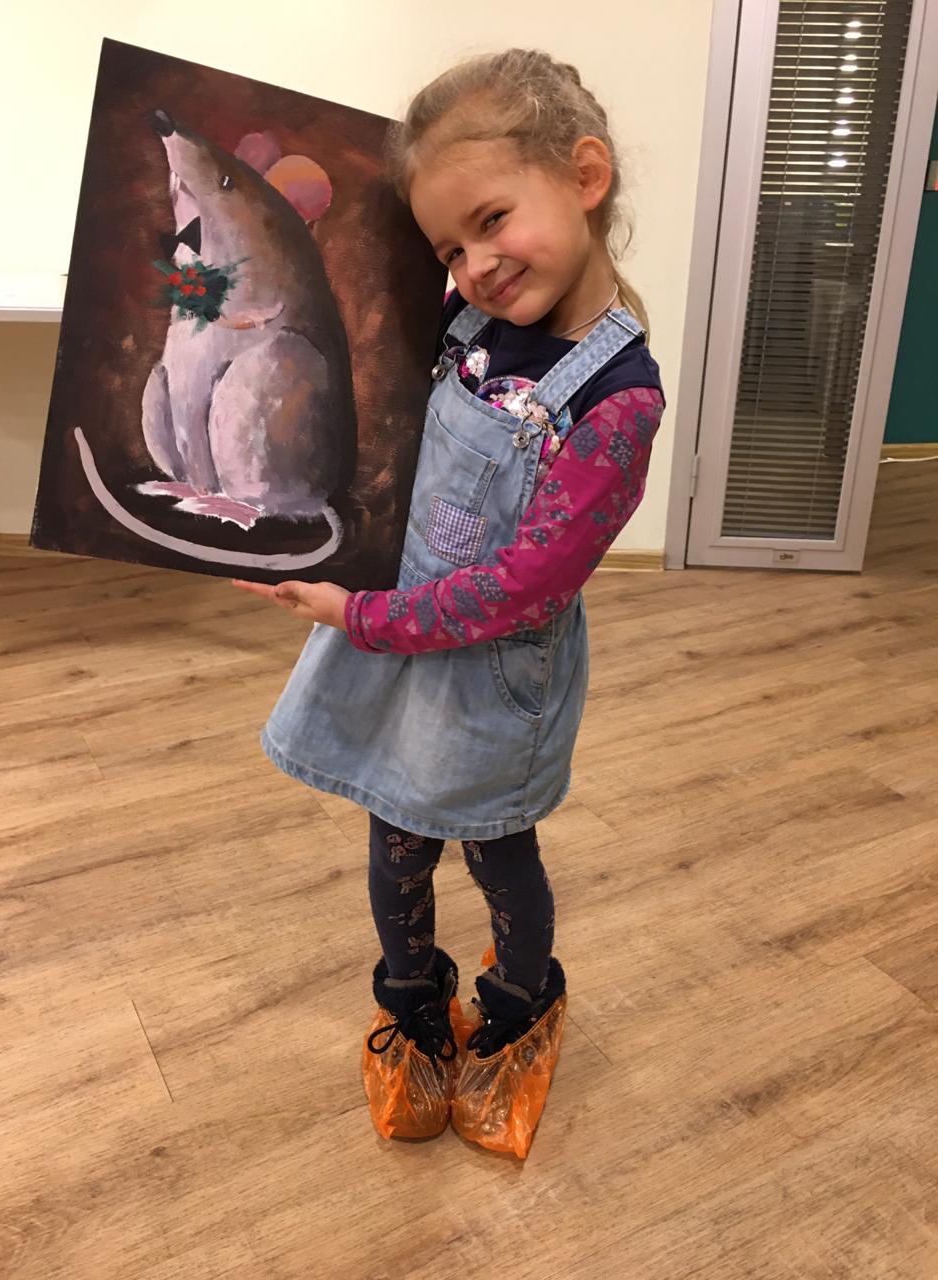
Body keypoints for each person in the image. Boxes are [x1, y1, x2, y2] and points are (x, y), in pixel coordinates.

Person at [233, 47, 665, 1159]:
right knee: (396, 842)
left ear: (585, 176)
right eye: (448, 248)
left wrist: (357, 616)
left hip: (487, 673)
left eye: (492, 220)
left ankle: (517, 1008)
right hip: (396, 637)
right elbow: (369, 404)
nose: (474, 266)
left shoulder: (616, 404)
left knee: (496, 851)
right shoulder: (463, 324)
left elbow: (523, 587)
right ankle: (414, 1003)